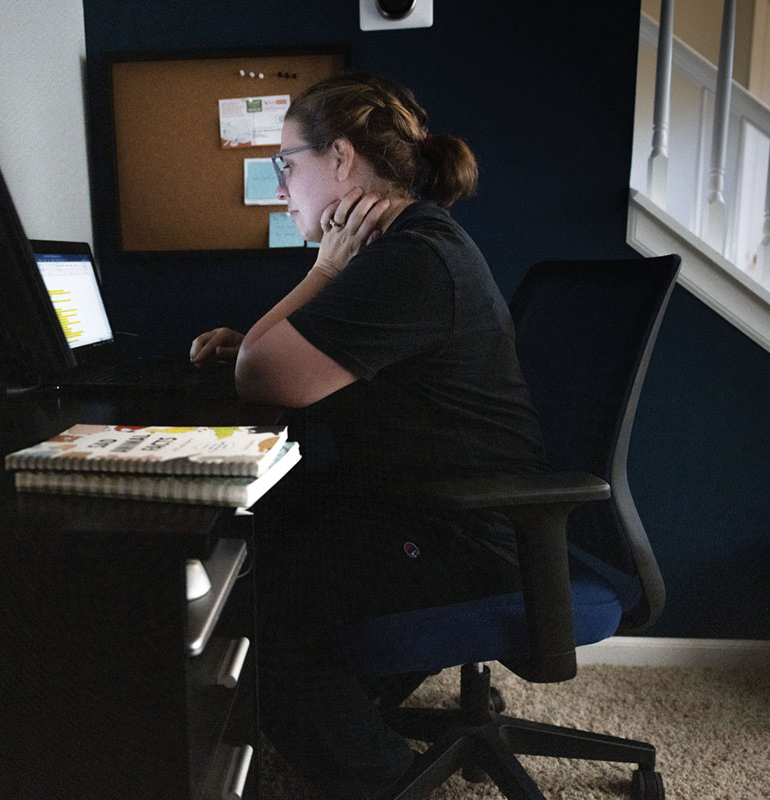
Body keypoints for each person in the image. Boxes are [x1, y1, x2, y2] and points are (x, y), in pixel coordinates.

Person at [190, 73, 548, 799]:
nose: (281, 183)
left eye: (287, 163)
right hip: (436, 509)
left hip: (460, 531)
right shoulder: (405, 246)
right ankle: (346, 710)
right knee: (258, 533)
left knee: (255, 607)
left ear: (343, 160)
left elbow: (260, 379)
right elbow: (271, 362)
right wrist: (271, 335)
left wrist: (321, 270)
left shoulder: (409, 261)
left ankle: (381, 780)